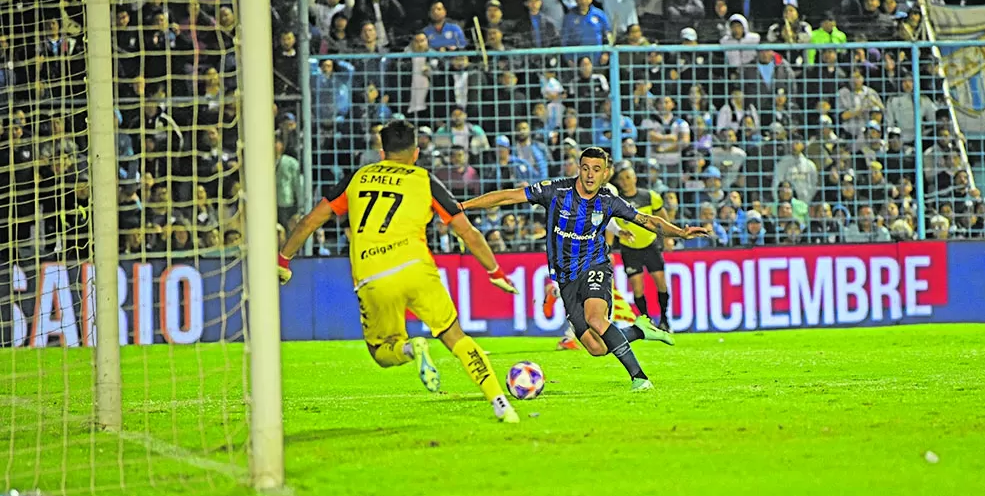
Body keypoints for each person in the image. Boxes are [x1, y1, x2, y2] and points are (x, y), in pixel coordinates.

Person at [277, 120, 523, 424]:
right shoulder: (424, 179)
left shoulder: (358, 178)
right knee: (454, 335)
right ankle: (500, 403)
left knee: (381, 353)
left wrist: (284, 259)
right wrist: (495, 271)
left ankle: (410, 347)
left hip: (371, 274)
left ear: (382, 152)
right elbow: (468, 233)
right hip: (415, 267)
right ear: (416, 152)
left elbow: (310, 221)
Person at [461, 147, 710, 391]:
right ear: (579, 169)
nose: (590, 175)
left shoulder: (609, 201)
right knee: (597, 347)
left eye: (597, 170)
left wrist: (680, 232)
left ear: (605, 174)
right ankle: (638, 330)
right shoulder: (555, 191)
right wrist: (463, 207)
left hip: (595, 265)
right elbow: (509, 196)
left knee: (595, 318)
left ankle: (640, 378)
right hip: (566, 278)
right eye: (586, 168)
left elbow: (648, 221)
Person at [609, 162, 674, 332]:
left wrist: (668, 238)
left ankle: (665, 319)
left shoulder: (650, 196)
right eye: (621, 179)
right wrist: (607, 249)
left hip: (650, 245)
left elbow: (662, 217)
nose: (625, 181)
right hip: (629, 249)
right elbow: (610, 225)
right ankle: (647, 321)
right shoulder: (617, 202)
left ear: (635, 178)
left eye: (628, 177)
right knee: (637, 288)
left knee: (661, 282)